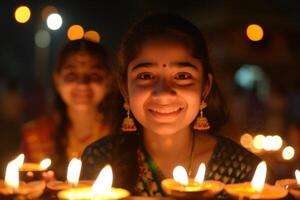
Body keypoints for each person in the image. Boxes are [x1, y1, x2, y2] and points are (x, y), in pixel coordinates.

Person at [81, 13, 263, 196]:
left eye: (182, 76)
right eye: (146, 76)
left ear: (205, 88)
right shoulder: (100, 159)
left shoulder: (242, 170)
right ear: (125, 88)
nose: (164, 92)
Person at [21, 39, 122, 179]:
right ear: (57, 80)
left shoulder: (121, 131)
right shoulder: (36, 134)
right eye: (71, 75)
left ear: (109, 81)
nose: (82, 84)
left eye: (94, 75)